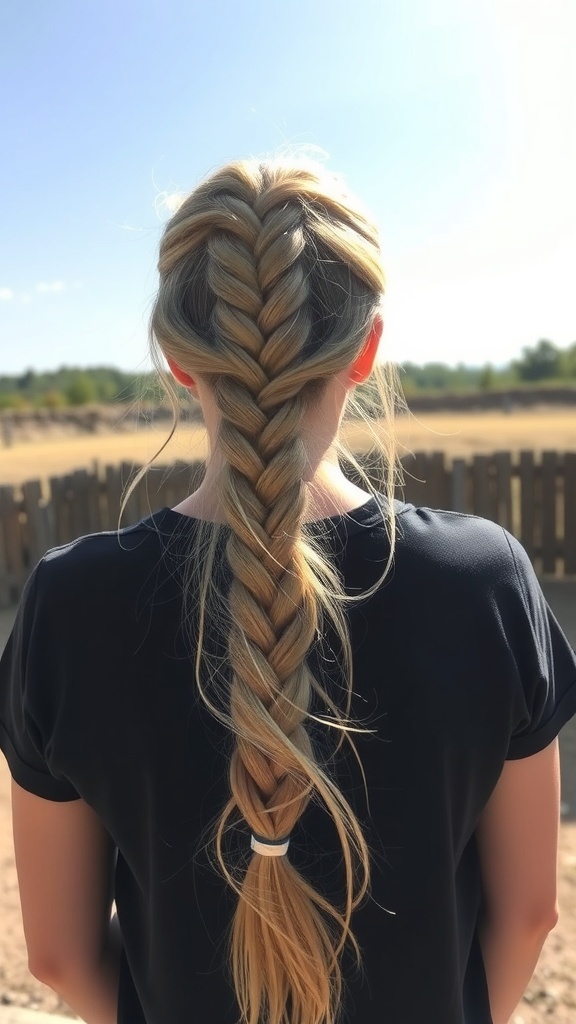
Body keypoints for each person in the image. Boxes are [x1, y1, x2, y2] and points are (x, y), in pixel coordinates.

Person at [1, 158, 575, 1024]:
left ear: (177, 361)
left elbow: (57, 955)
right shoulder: (485, 581)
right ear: (368, 348)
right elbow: (532, 911)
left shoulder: (66, 604)